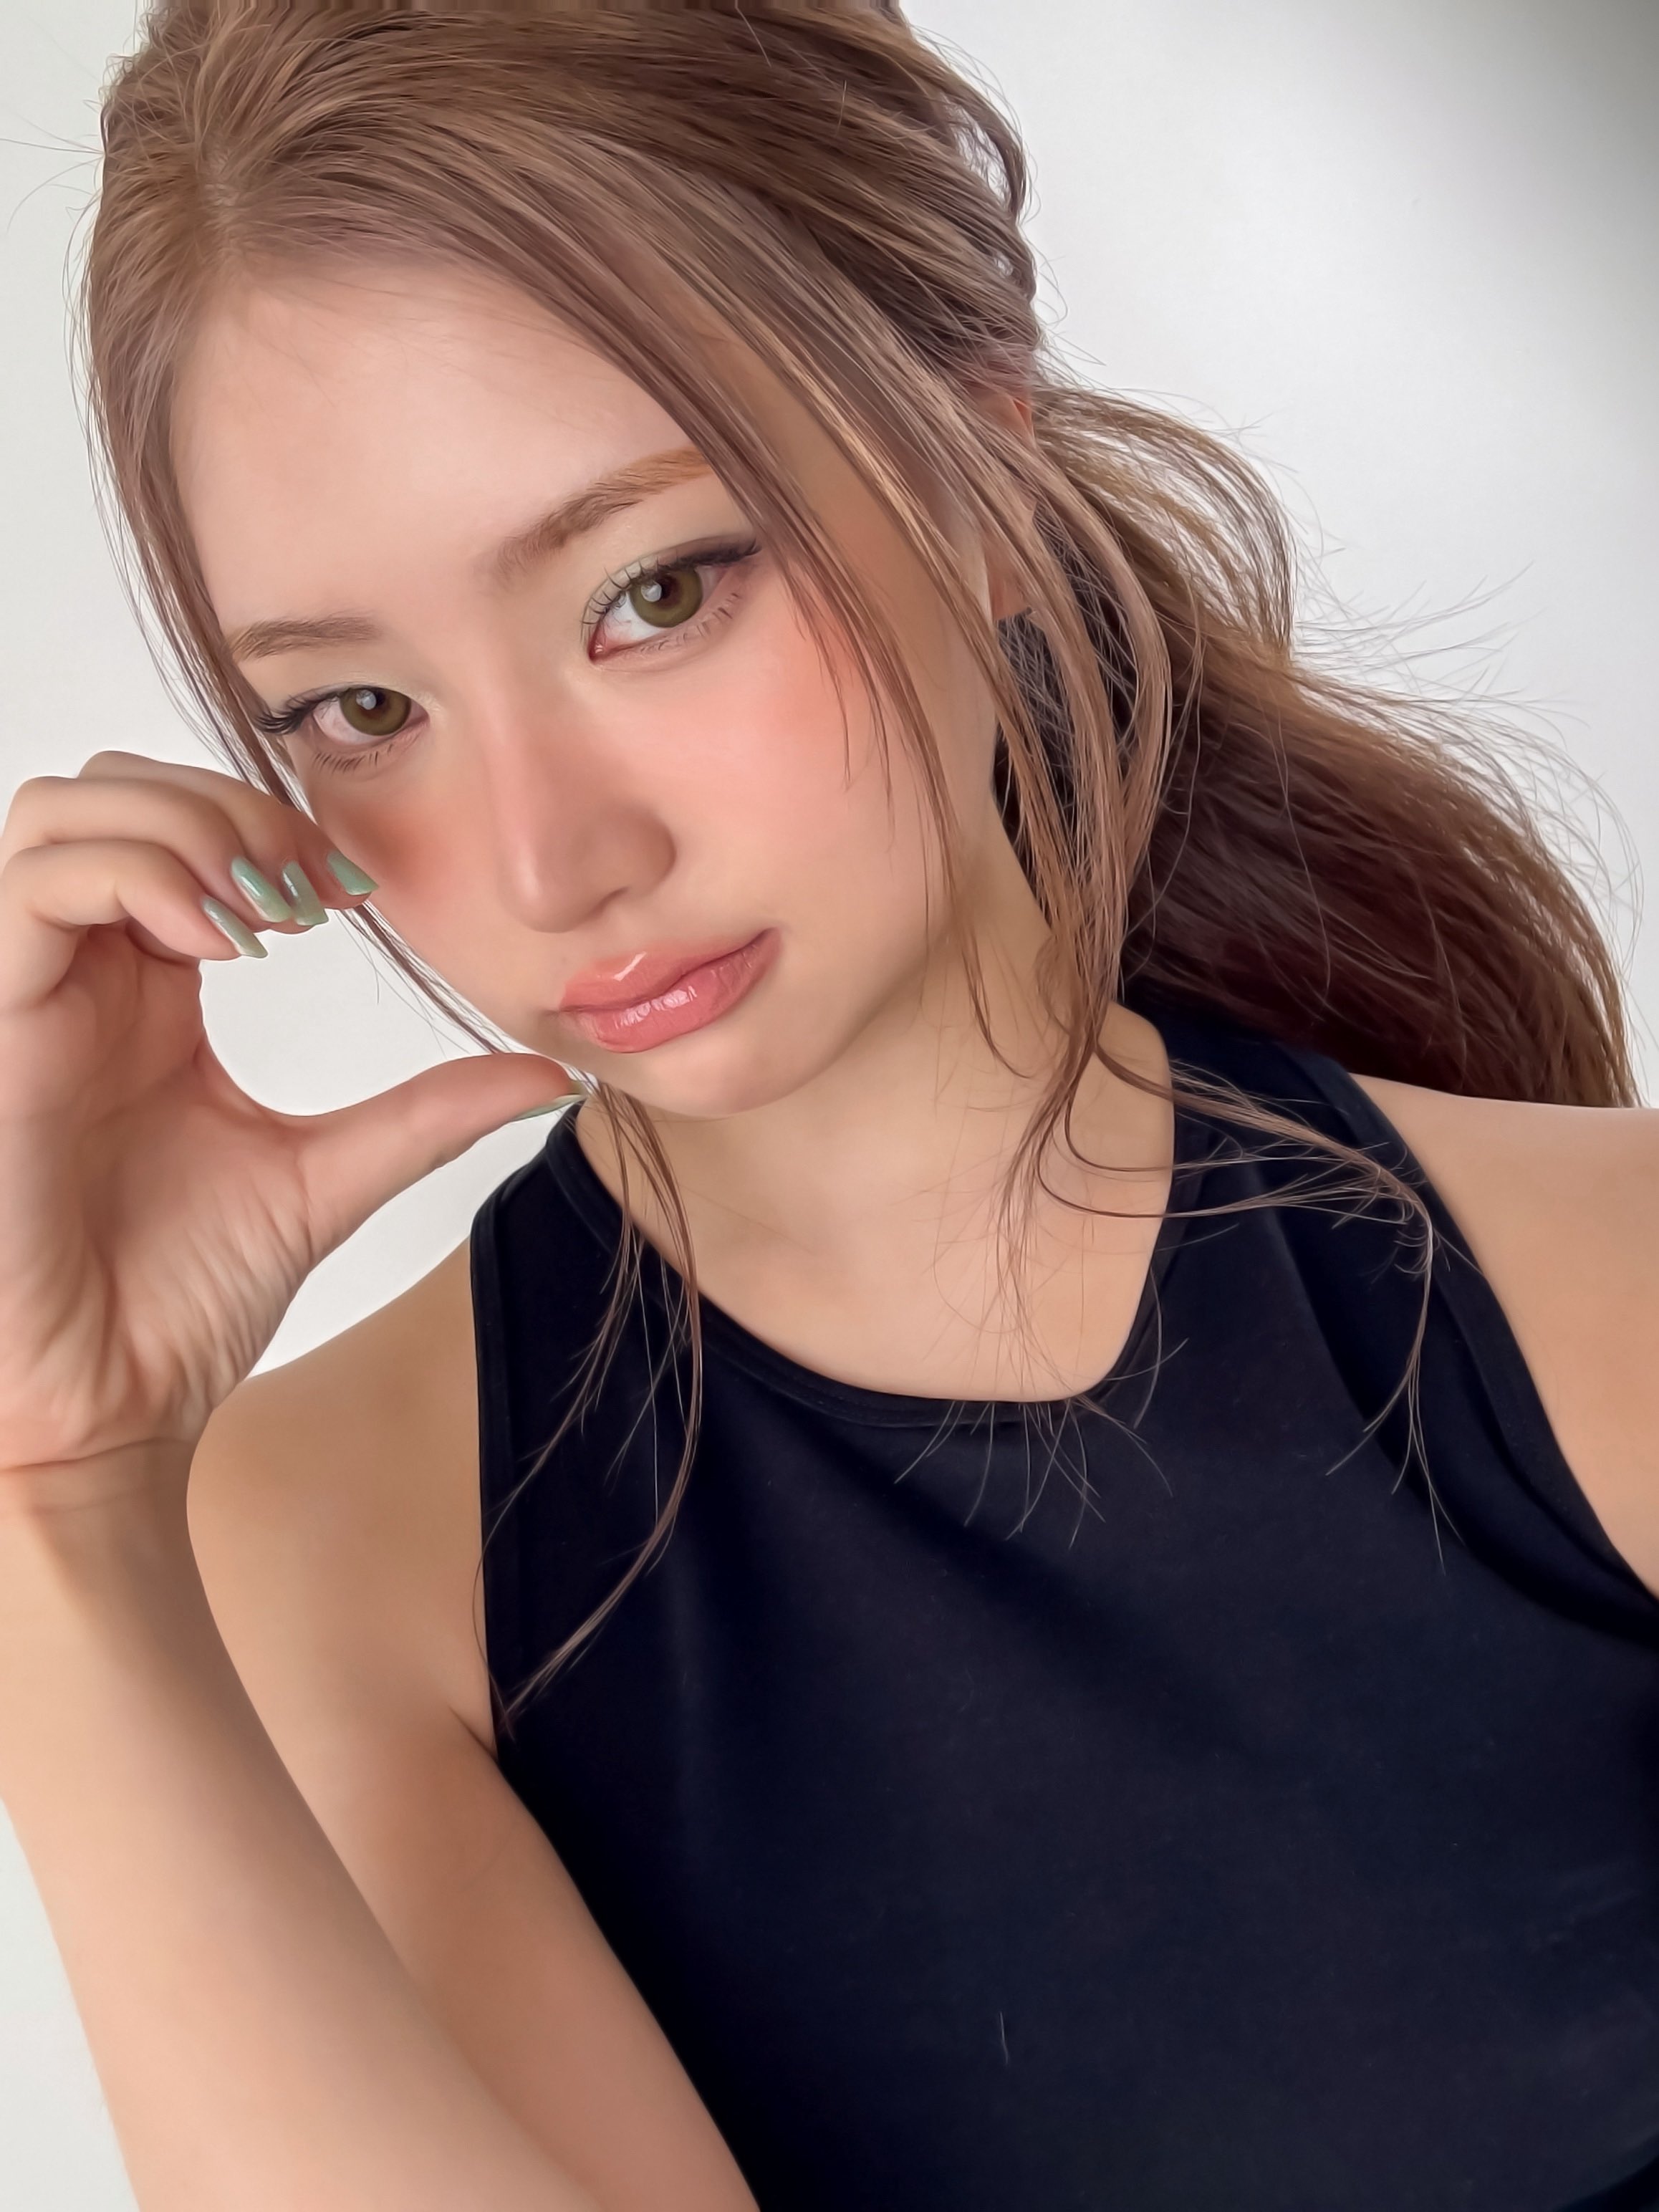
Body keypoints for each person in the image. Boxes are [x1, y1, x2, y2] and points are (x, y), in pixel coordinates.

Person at [1, 3, 1656, 2207]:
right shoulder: (329, 1552)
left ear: (979, 470)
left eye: (650, 594)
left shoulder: (1602, 1300)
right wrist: (52, 1503)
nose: (548, 863)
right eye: (363, 708)